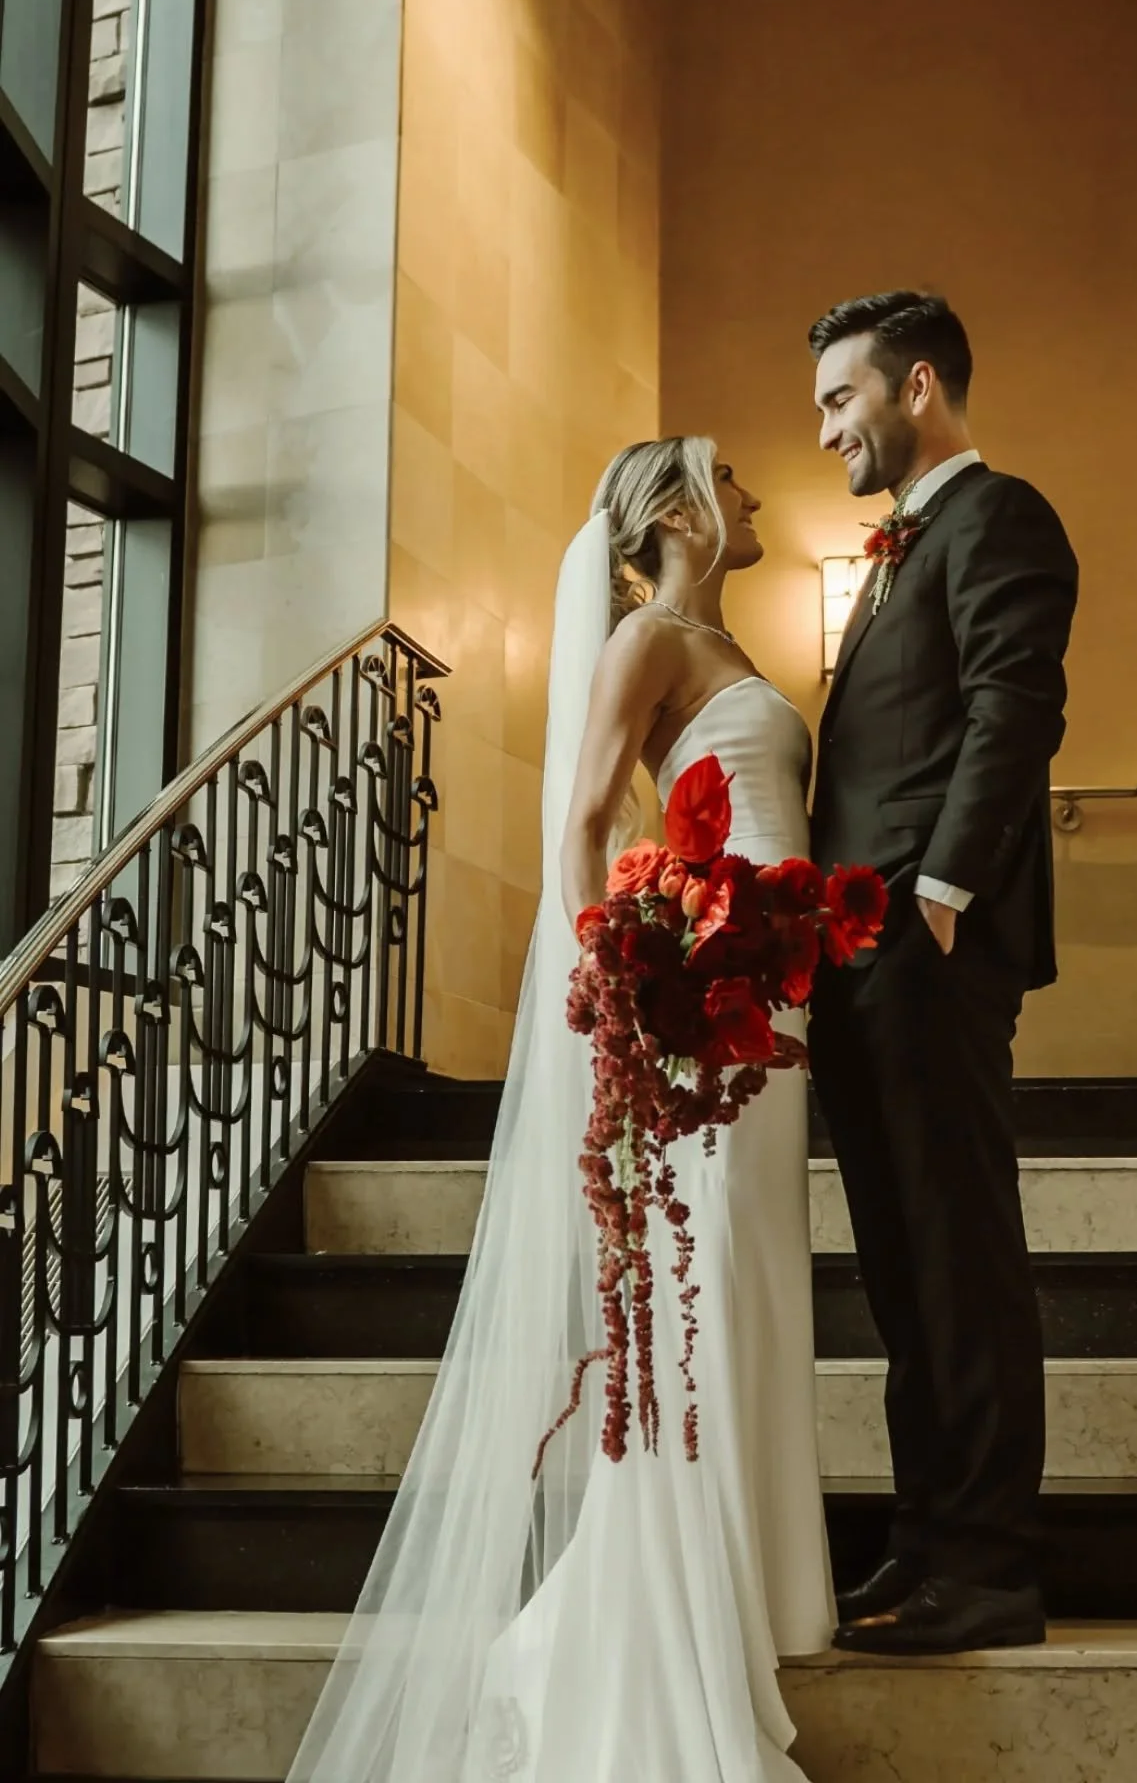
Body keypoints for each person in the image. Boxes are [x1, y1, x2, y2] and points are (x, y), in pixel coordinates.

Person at [285, 437, 832, 1783]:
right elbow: (583, 815)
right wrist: (626, 973)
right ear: (682, 514)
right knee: (712, 1287)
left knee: (754, 1277)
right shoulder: (648, 637)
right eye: (738, 483)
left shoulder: (720, 645)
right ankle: (668, 1602)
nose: (759, 498)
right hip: (710, 1002)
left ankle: (754, 1582)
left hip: (769, 989)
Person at [808, 290, 1079, 1656]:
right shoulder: (899, 547)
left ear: (917, 386)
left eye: (840, 400)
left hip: (928, 947)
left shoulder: (1000, 515)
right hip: (860, 959)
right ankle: (926, 1543)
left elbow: (1015, 702)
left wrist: (944, 890)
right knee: (904, 1265)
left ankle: (988, 1568)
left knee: (958, 1257)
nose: (826, 431)